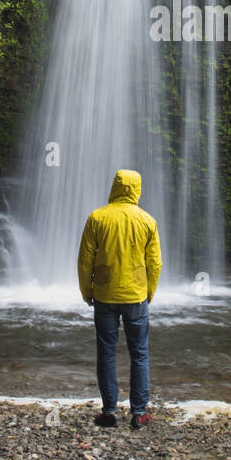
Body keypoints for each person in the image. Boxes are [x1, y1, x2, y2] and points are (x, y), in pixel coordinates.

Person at [77, 169, 162, 429]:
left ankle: (109, 412)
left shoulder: (97, 218)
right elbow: (155, 263)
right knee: (139, 353)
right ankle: (138, 413)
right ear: (137, 189)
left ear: (114, 186)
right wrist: (150, 292)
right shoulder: (147, 221)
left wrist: (86, 291)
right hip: (136, 296)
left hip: (104, 295)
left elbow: (85, 260)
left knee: (107, 352)